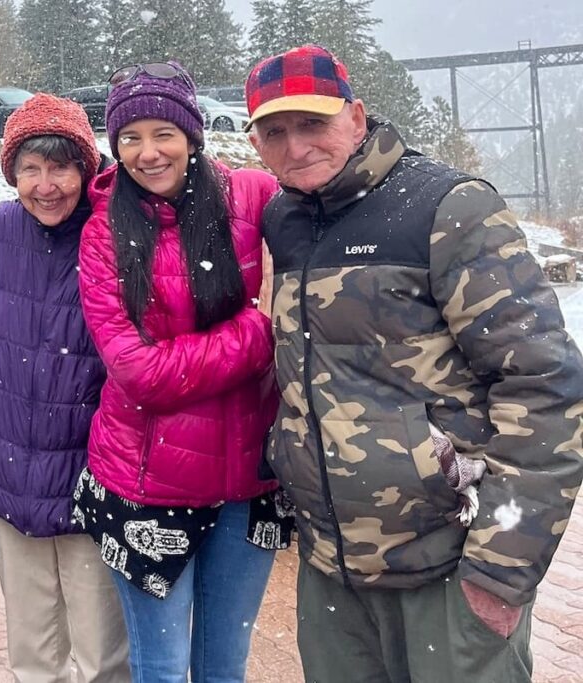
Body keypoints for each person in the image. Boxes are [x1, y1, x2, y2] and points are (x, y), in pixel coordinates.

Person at [246, 44, 583, 683]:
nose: (295, 147)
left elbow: (546, 388)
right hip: (333, 574)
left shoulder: (447, 209)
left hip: (450, 570)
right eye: (274, 131)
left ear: (356, 116)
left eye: (312, 123)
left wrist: (504, 567)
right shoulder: (283, 221)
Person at [73, 62, 282, 683]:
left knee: (224, 666)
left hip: (250, 478)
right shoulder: (104, 233)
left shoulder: (255, 197)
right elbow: (141, 376)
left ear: (192, 135)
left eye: (162, 132)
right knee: (160, 668)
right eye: (129, 137)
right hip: (145, 484)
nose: (147, 152)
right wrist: (259, 330)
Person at [0, 92, 130, 683]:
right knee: (33, 654)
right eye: (30, 169)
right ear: (11, 172)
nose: (45, 185)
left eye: (61, 167)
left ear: (86, 170)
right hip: (12, 472)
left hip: (93, 475)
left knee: (102, 655)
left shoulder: (115, 232)